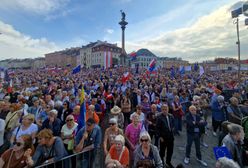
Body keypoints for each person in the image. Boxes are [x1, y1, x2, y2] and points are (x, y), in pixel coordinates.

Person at [156, 104, 175, 168]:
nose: (164, 111)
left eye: (166, 109)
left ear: (168, 109)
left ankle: (168, 162)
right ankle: (162, 163)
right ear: (161, 110)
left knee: (170, 151)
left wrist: (172, 130)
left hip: (171, 137)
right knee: (162, 151)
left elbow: (173, 124)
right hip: (163, 138)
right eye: (163, 109)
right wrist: (160, 137)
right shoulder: (159, 117)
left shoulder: (171, 116)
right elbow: (157, 128)